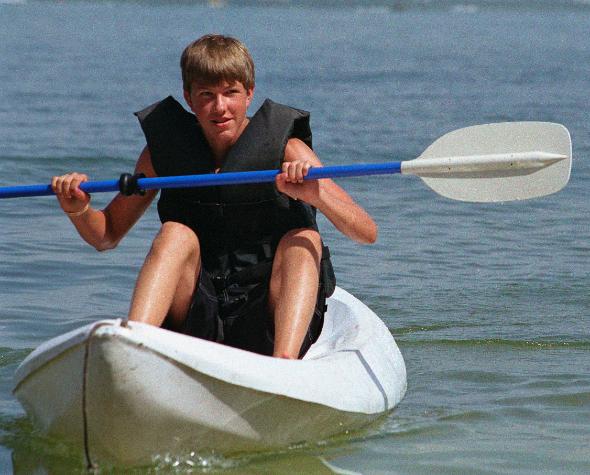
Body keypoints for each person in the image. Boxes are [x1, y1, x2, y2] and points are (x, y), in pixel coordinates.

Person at [51, 34, 377, 359]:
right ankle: (133, 350)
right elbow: (106, 234)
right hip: (199, 314)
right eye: (207, 95)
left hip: (268, 316)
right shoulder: (161, 156)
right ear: (189, 98)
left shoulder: (288, 150)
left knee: (303, 237)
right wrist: (79, 210)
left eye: (230, 93)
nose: (219, 107)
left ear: (249, 93)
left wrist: (314, 193)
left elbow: (366, 232)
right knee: (175, 233)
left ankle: (284, 364)